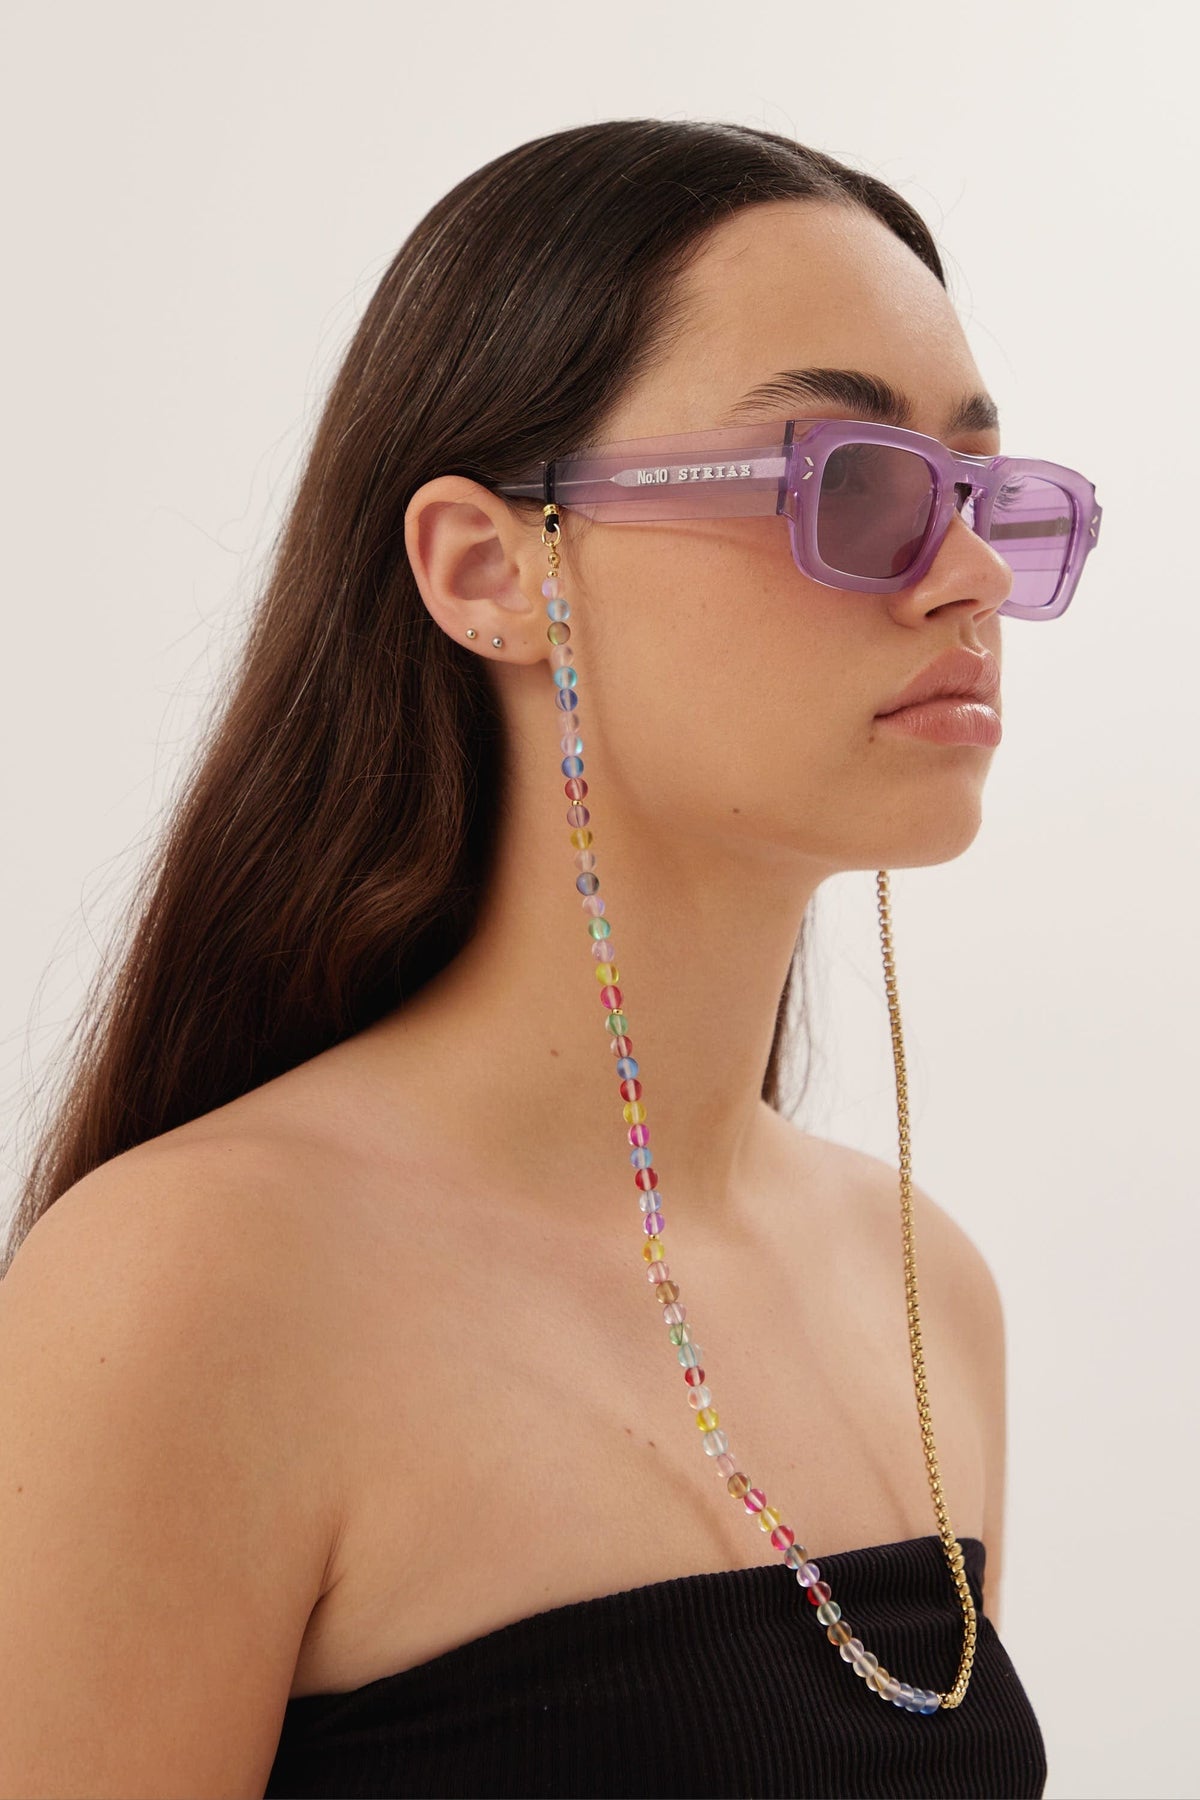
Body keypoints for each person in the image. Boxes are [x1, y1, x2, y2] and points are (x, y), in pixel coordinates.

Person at [0, 118, 1092, 1796]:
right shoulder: (191, 1292)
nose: (971, 578)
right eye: (853, 485)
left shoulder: (919, 1286)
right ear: (491, 570)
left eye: (986, 494)